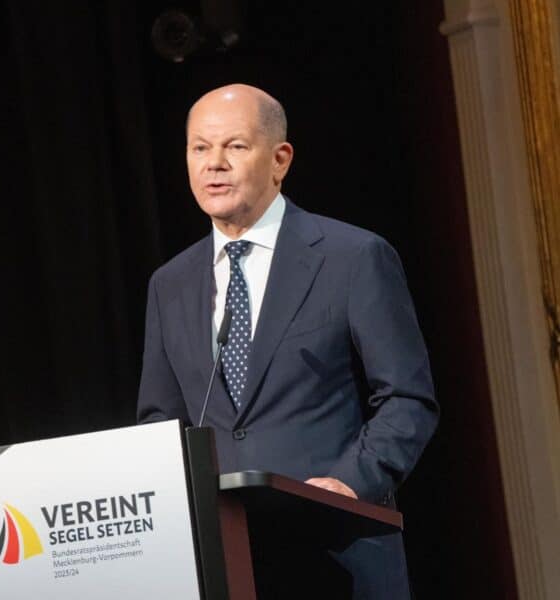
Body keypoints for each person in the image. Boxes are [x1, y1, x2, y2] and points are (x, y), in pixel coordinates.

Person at [137, 84, 439, 598]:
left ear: (279, 160)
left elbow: (408, 399)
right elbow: (158, 423)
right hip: (229, 561)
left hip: (338, 551)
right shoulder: (170, 283)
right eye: (200, 148)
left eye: (235, 146)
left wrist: (349, 481)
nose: (215, 164)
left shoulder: (352, 257)